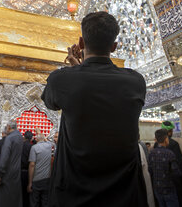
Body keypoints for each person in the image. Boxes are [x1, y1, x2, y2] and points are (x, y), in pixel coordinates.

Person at [41, 11, 147, 206]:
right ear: (114, 47)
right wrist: (78, 69)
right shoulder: (135, 82)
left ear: (81, 43)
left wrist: (75, 68)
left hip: (73, 195)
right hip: (124, 196)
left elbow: (51, 101)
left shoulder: (61, 80)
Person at [154, 121, 182, 207]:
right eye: (171, 131)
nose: (172, 133)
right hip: (175, 183)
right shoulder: (173, 144)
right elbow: (180, 166)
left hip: (160, 185)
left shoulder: (156, 146)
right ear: (168, 132)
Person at [148, 129, 181, 207]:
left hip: (157, 189)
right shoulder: (169, 153)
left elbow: (150, 170)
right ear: (166, 139)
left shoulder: (151, 153)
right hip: (169, 188)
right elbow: (176, 173)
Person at [0, 122, 23, 207]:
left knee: (3, 199)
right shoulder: (20, 137)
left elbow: (4, 157)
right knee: (14, 198)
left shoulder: (9, 138)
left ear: (9, 127)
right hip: (16, 172)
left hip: (7, 172)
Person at [27, 133, 53, 207]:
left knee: (34, 202)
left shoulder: (34, 148)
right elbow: (46, 140)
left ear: (36, 139)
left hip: (36, 179)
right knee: (45, 202)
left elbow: (32, 165)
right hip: (47, 179)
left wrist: (30, 183)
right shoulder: (49, 146)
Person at [21, 130, 34, 207]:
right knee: (27, 194)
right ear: (31, 138)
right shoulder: (32, 147)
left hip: (19, 171)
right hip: (28, 172)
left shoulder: (19, 145)